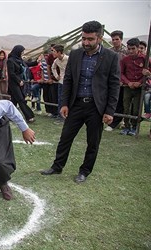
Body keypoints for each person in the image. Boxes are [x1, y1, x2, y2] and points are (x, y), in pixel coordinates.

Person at [40, 20, 120, 183]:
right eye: (84, 38)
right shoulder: (75, 55)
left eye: (90, 39)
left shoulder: (111, 57)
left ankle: (84, 171)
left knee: (93, 142)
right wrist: (64, 103)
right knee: (65, 137)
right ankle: (57, 167)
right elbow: (68, 79)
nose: (86, 42)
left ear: (100, 38)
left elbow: (114, 85)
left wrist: (110, 111)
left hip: (96, 107)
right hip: (76, 105)